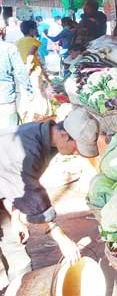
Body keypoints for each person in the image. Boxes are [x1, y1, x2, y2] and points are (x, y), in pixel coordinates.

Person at [0, 108, 100, 286]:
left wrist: (15, 216)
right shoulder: (28, 150)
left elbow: (14, 181)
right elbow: (30, 192)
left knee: (15, 248)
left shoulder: (45, 137)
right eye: (76, 149)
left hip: (4, 187)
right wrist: (61, 238)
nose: (76, 154)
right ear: (64, 134)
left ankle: (19, 294)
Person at [0, 23, 32, 129]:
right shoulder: (9, 48)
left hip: (5, 96)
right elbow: (21, 72)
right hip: (5, 98)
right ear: (3, 31)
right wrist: (29, 91)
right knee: (10, 132)